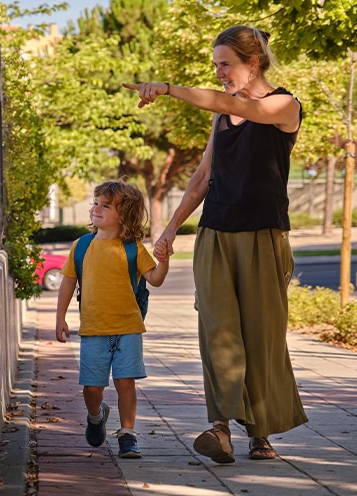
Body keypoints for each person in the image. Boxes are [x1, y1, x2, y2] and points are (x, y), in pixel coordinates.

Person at [123, 25, 308, 463]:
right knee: (217, 333)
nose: (221, 73)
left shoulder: (285, 105)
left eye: (226, 64)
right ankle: (220, 428)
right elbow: (204, 177)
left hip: (265, 237)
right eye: (216, 66)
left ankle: (260, 432)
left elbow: (231, 101)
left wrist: (167, 88)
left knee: (261, 337)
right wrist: (169, 230)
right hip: (216, 234)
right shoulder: (221, 117)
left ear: (254, 62)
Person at [55, 180, 169, 459]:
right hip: (93, 330)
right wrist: (60, 318)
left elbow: (154, 279)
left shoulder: (133, 248)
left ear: (124, 216)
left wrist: (163, 261)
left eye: (106, 205)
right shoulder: (81, 246)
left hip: (128, 328)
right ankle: (96, 416)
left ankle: (128, 434)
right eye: (96, 203)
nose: (96, 208)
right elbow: (68, 282)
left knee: (125, 382)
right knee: (92, 389)